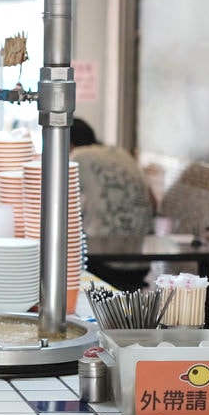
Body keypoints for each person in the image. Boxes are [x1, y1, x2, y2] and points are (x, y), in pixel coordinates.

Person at [70, 118, 155, 290]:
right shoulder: (122, 153)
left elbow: (55, 204)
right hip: (141, 264)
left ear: (67, 142)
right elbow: (154, 202)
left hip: (104, 265)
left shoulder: (78, 157)